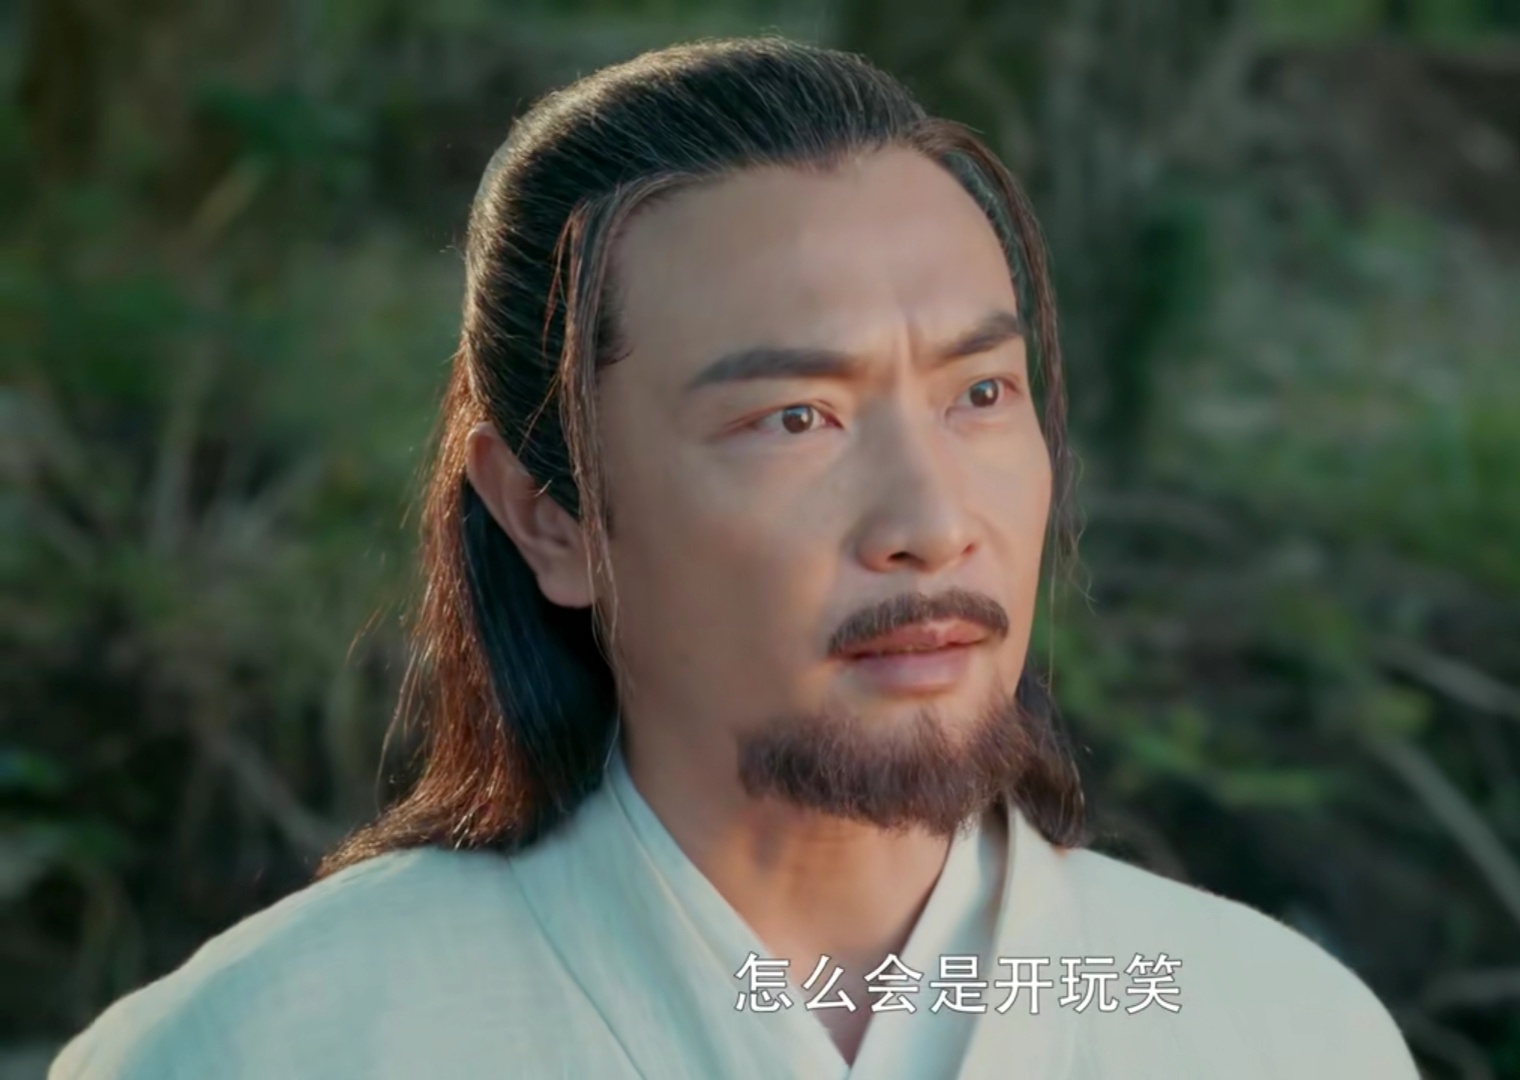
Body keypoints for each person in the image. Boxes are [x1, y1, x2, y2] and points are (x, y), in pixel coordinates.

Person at [50, 36, 1419, 1080]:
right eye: (795, 418)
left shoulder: (1277, 1031)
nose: (933, 521)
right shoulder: (265, 1048)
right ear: (549, 517)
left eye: (980, 394)